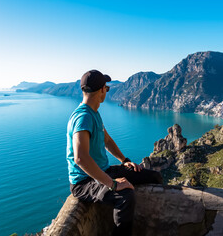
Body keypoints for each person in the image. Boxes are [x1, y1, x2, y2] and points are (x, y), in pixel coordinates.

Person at [66, 69, 163, 236]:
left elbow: (107, 141)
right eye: (107, 88)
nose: (107, 91)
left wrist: (124, 160)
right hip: (84, 182)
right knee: (125, 197)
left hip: (103, 172)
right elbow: (81, 158)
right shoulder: (83, 117)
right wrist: (113, 184)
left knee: (153, 177)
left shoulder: (93, 114)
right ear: (102, 90)